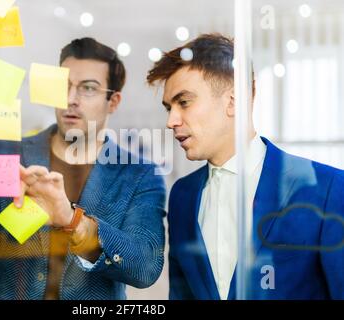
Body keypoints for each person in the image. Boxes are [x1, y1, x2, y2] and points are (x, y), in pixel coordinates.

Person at [0, 37, 166, 300]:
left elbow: (145, 268)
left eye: (88, 88)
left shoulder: (139, 174)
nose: (70, 99)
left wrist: (74, 223)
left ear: (113, 102)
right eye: (63, 86)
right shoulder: (7, 153)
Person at [147, 33, 344, 300]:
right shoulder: (183, 194)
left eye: (183, 102)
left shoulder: (328, 188)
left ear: (233, 101)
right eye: (168, 108)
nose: (171, 120)